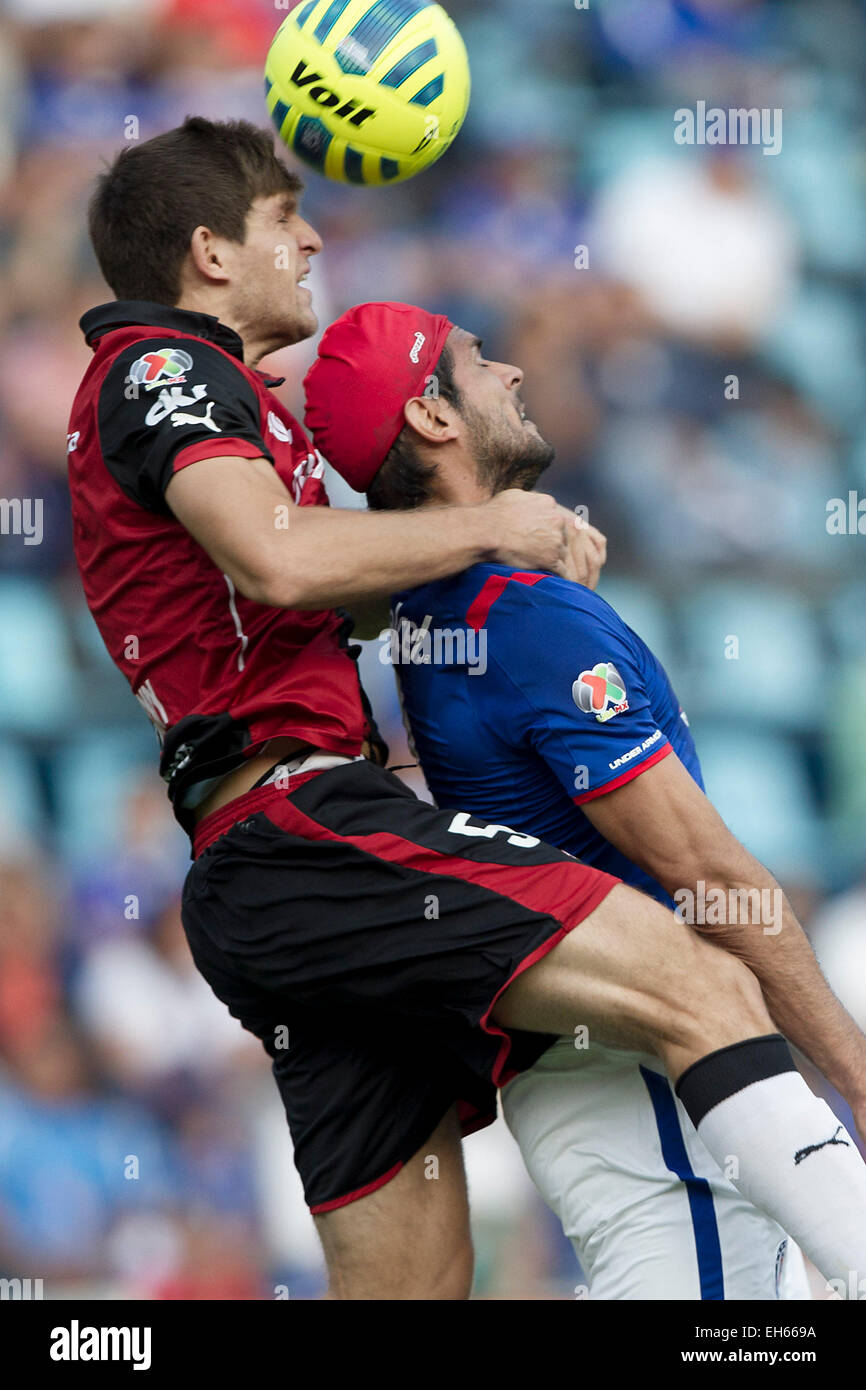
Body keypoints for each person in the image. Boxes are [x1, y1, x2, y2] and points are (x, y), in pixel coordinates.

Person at [303, 299, 866, 1298]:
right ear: (431, 418)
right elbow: (703, 872)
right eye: (478, 364)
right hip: (651, 1080)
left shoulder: (448, 614)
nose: (512, 372)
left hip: (619, 1075)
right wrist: (854, 1072)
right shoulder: (519, 620)